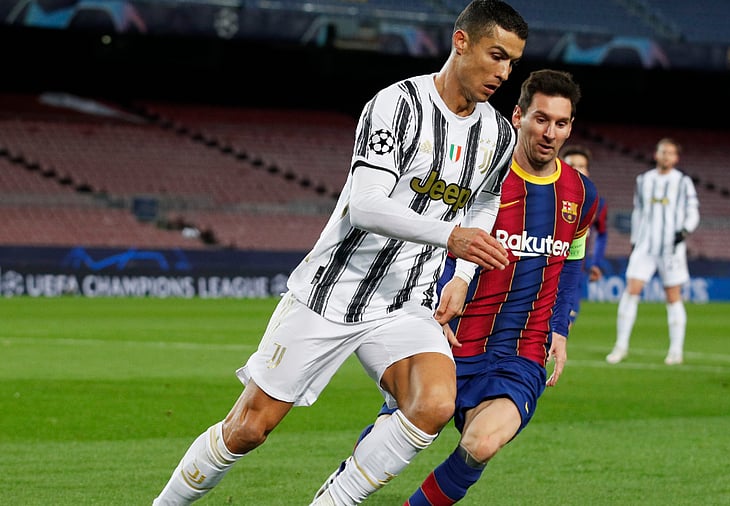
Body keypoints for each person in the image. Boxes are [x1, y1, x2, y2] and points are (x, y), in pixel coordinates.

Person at [152, 2, 528, 504]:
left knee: (435, 404)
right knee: (249, 427)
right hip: (332, 292)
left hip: (404, 302)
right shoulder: (399, 105)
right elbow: (365, 207)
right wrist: (450, 237)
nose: (503, 73)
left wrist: (459, 274)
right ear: (462, 42)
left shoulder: (498, 134)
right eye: (496, 55)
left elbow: (484, 200)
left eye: (512, 63)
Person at [340, 68, 597, 505]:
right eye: (540, 119)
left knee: (482, 444)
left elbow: (571, 264)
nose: (550, 132)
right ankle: (341, 491)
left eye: (560, 123)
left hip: (521, 350)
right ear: (518, 115)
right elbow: (434, 242)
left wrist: (560, 326)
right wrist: (430, 307)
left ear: (570, 126)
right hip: (454, 337)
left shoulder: (581, 194)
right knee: (401, 434)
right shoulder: (479, 179)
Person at [606, 138, 699, 366]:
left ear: (676, 158)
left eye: (670, 153)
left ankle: (676, 351)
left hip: (671, 248)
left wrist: (685, 231)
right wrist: (634, 240)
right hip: (645, 245)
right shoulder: (643, 180)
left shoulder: (683, 182)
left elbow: (693, 210)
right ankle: (620, 346)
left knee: (673, 295)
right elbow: (638, 211)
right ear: (656, 154)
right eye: (662, 152)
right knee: (632, 289)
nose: (666, 156)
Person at [560, 144, 609, 327]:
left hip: (575, 272)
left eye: (582, 166)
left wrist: (595, 262)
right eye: (572, 165)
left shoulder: (597, 203)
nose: (577, 170)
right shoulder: (547, 195)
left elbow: (602, 234)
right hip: (545, 270)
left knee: (564, 327)